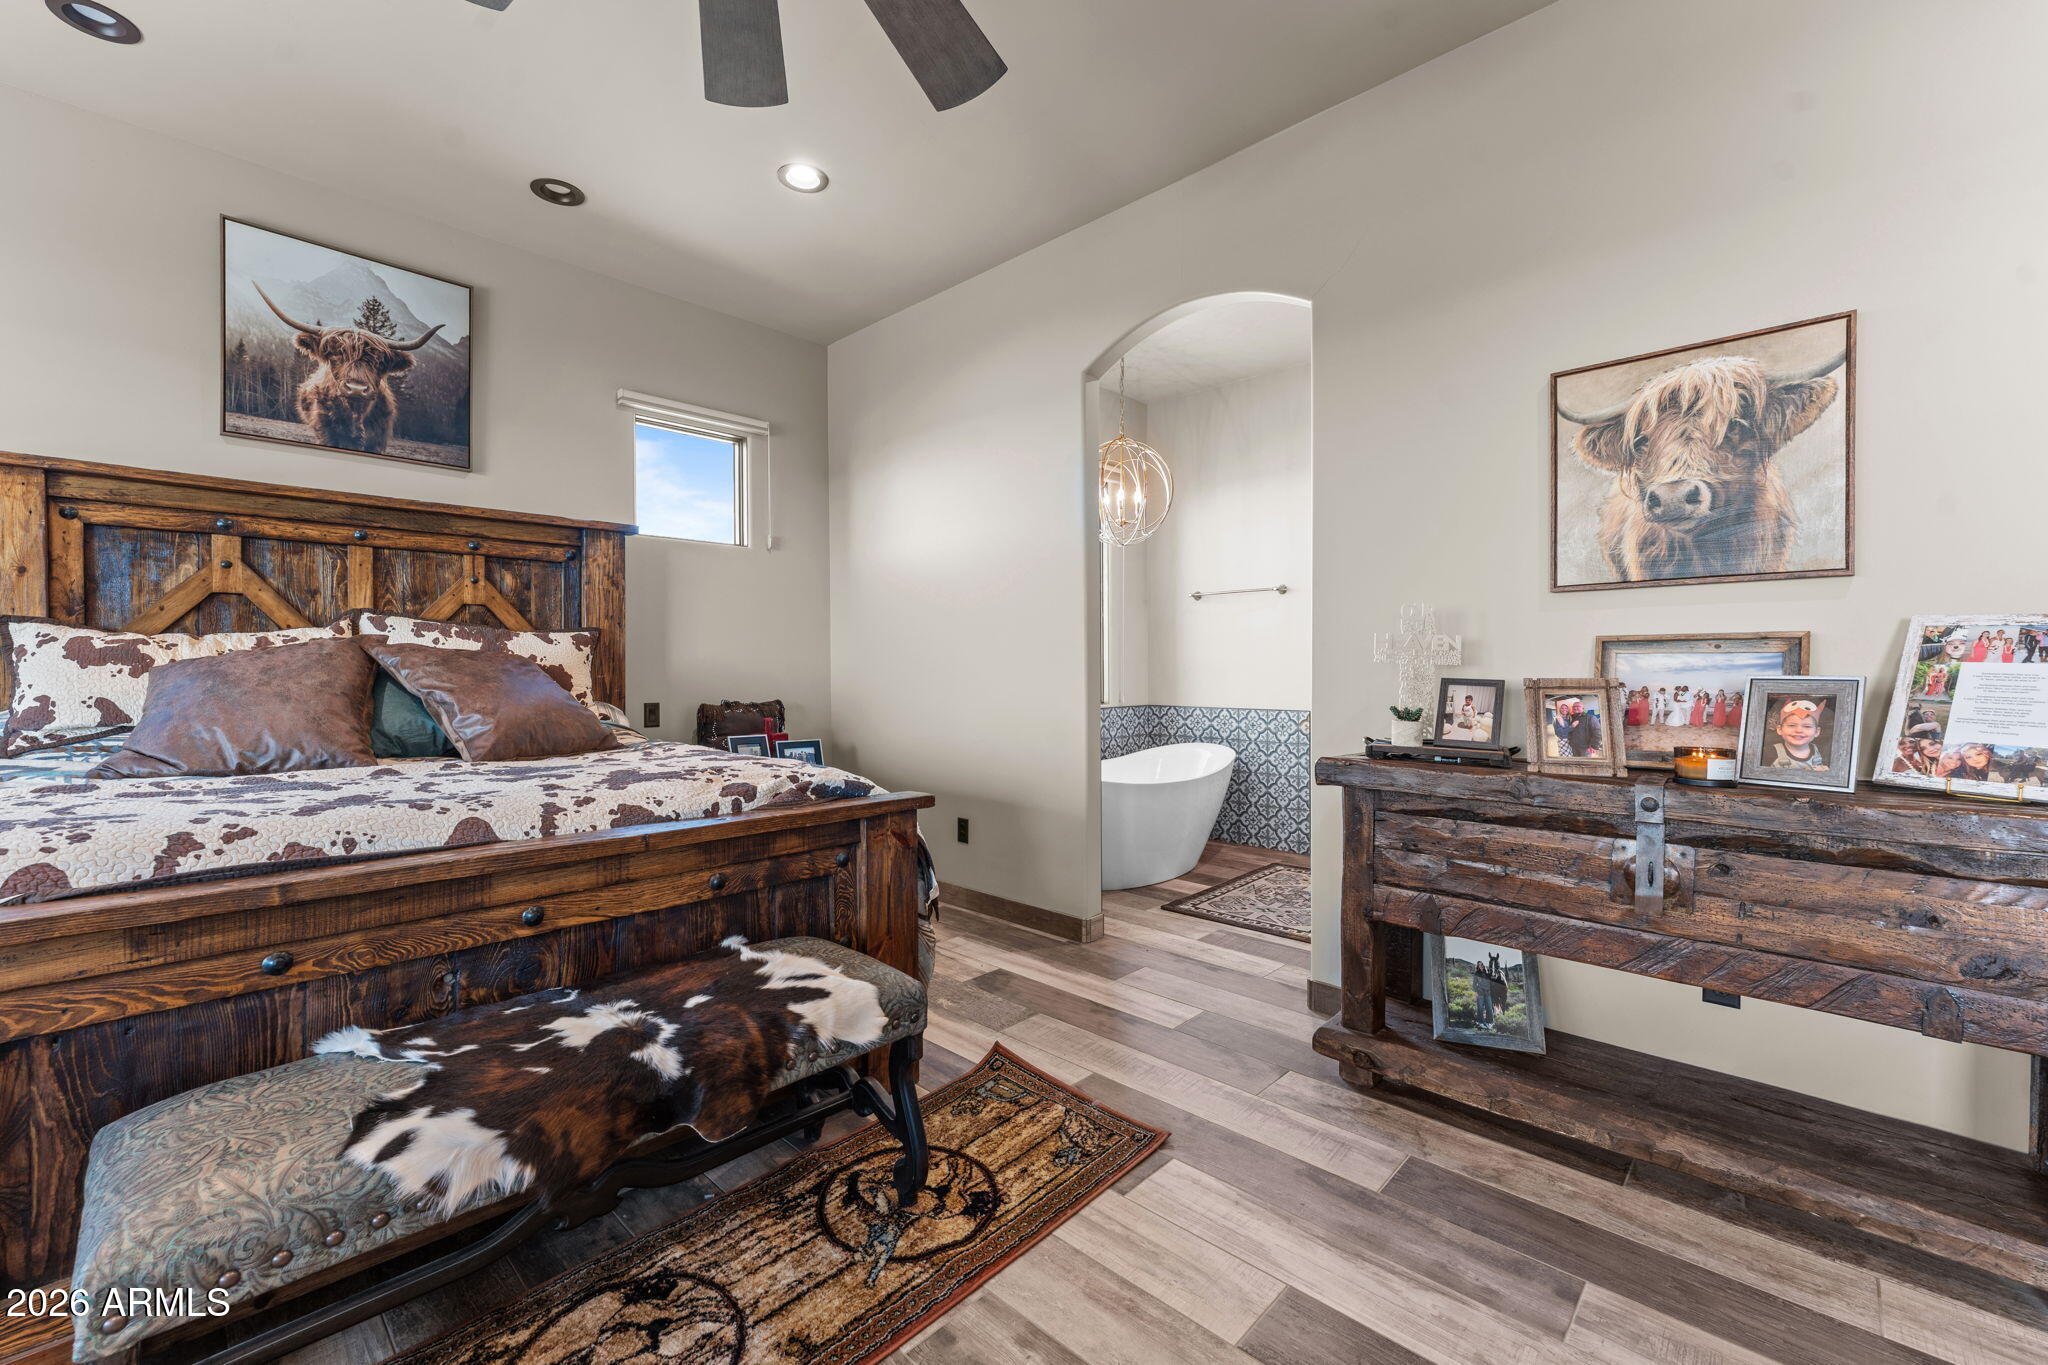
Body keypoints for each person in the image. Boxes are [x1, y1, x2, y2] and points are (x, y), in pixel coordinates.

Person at [1764, 698, 1829, 770]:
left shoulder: (1821, 752)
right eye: (1791, 725)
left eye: (1807, 726)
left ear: (1816, 732)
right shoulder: (1769, 753)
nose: (1799, 730)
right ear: (1780, 729)